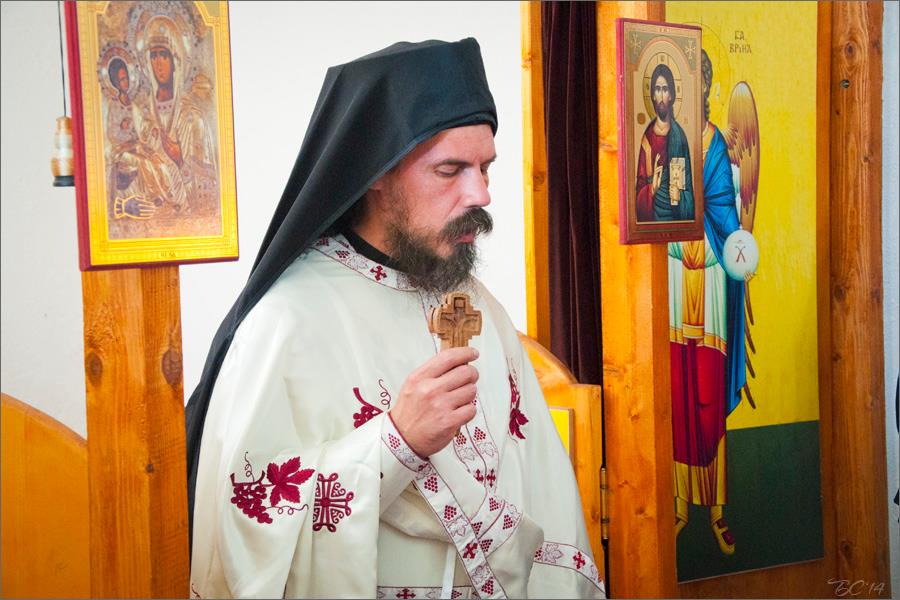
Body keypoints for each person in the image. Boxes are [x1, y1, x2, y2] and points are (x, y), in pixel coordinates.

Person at [186, 39, 605, 599]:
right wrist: (395, 442)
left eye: (485, 168)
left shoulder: (479, 307)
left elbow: (541, 487)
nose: (480, 194)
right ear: (375, 173)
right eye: (451, 169)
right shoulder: (288, 320)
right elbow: (245, 524)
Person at [667, 49, 747, 555]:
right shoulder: (667, 142)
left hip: (711, 281)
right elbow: (660, 207)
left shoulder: (715, 146)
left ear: (705, 89)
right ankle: (679, 505)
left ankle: (716, 510)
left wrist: (694, 220)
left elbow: (723, 214)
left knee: (708, 397)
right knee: (680, 393)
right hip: (678, 280)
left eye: (697, 84)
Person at [132, 15, 218, 214]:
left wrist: (180, 161)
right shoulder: (142, 117)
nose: (158, 63)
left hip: (188, 218)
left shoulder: (193, 119)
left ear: (176, 60)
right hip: (153, 218)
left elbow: (209, 198)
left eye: (164, 55)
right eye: (153, 56)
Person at [635, 62, 694, 222]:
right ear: (653, 95)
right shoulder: (647, 139)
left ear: (671, 95)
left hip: (675, 218)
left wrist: (680, 197)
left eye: (665, 89)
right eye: (658, 89)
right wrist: (651, 190)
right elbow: (638, 196)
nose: (661, 96)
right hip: (653, 217)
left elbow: (689, 193)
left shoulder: (680, 137)